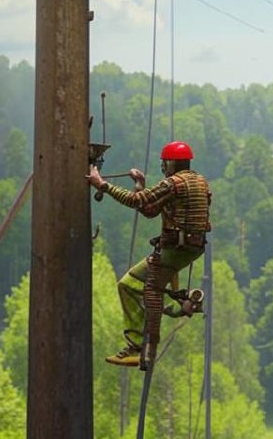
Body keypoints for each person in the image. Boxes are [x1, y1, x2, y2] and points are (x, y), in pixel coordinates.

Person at [86, 140, 211, 369]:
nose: (163, 168)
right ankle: (181, 305)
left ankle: (143, 347)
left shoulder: (173, 184)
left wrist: (102, 185)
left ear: (171, 163)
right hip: (188, 249)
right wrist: (140, 186)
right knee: (129, 285)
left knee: (150, 289)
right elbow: (150, 210)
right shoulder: (198, 182)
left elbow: (137, 203)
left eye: (165, 164)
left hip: (175, 250)